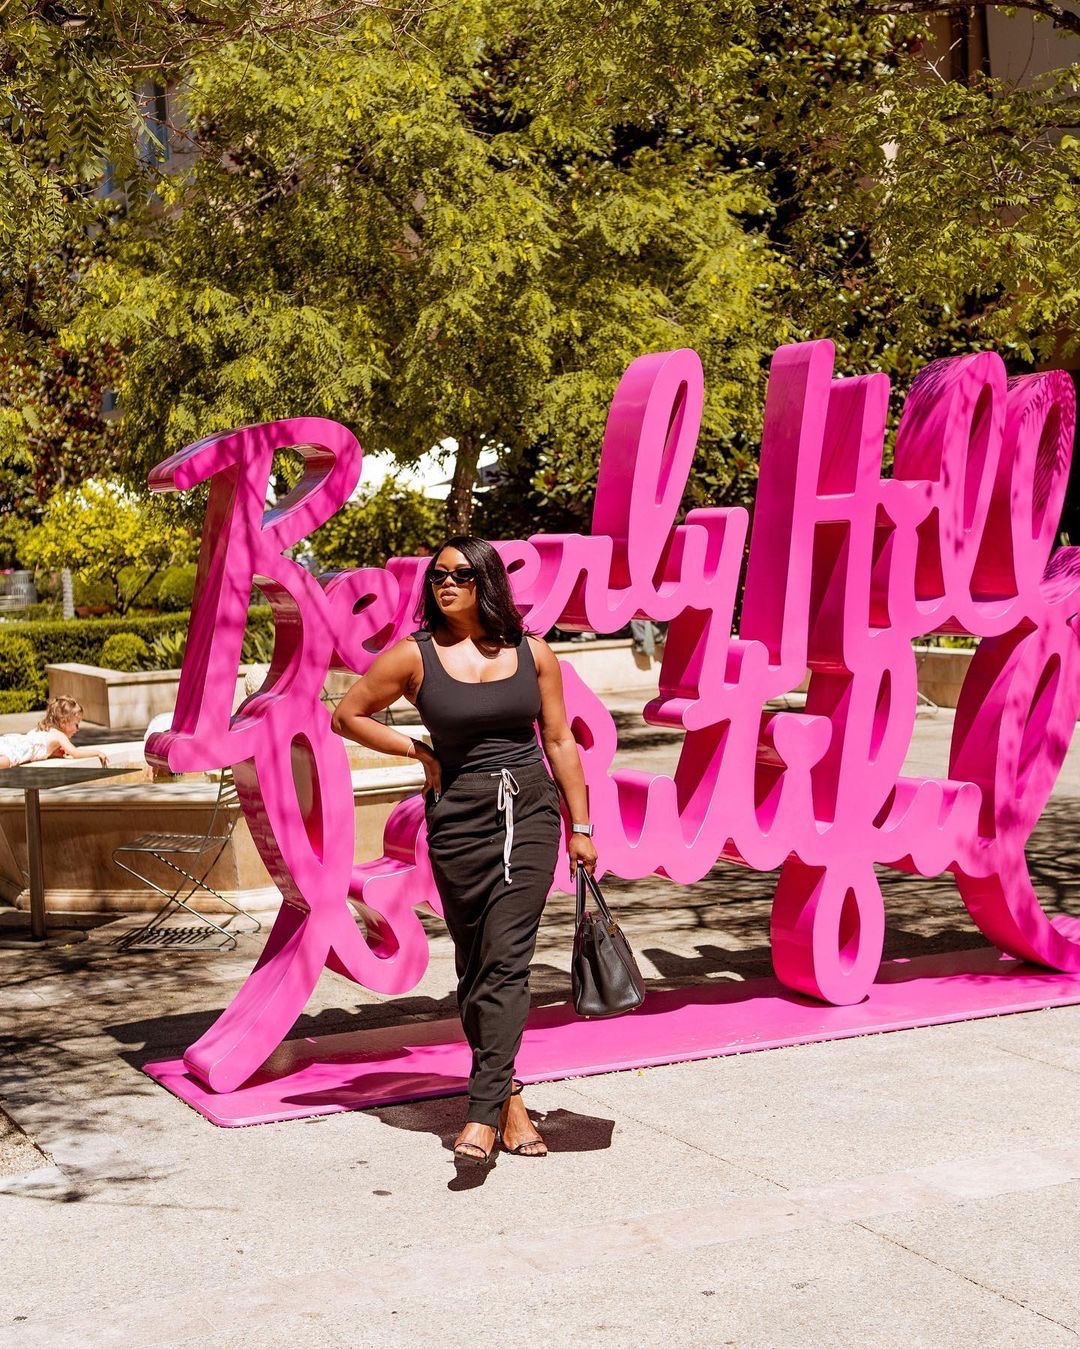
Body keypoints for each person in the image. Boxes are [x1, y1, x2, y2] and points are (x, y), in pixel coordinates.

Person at [332, 536, 597, 1167]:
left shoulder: (533, 652)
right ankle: (510, 1101)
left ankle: (480, 1112)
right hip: (456, 817)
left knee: (506, 960)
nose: (445, 583)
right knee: (477, 964)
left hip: (529, 811)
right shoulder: (414, 656)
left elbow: (559, 740)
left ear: (486, 582)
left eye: (460, 574)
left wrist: (581, 824)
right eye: (437, 576)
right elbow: (348, 714)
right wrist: (417, 751)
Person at [0, 696, 109, 770]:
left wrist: (53, 753)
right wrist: (97, 753)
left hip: (13, 740)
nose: (78, 729)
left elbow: (41, 749)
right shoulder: (60, 735)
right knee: (7, 762)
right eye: (76, 724)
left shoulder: (46, 728)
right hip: (22, 748)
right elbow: (75, 753)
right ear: (63, 722)